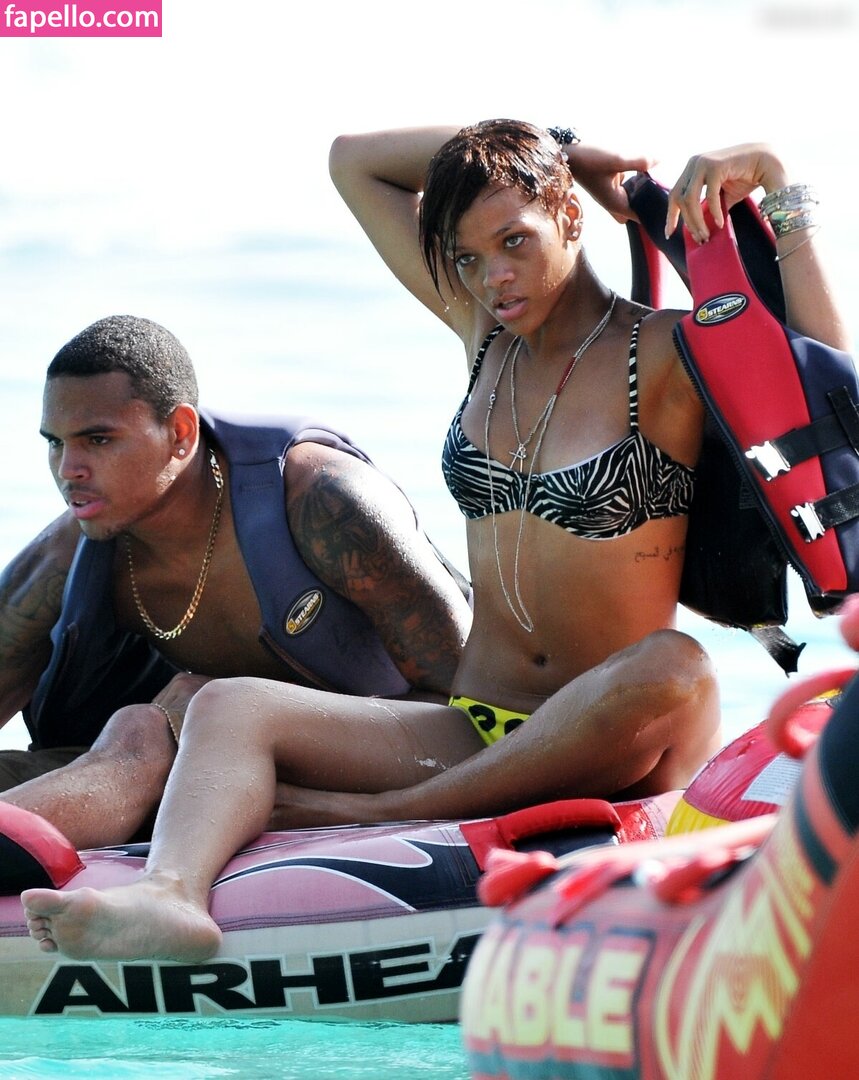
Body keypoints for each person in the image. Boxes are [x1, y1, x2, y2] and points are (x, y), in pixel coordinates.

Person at [19, 129, 850, 962]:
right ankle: (171, 896)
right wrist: (557, 143)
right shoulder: (483, 333)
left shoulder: (663, 350)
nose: (493, 277)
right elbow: (354, 162)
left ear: (569, 216)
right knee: (226, 705)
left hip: (615, 725)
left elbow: (822, 395)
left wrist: (776, 186)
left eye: (514, 241)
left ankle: (379, 814)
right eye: (466, 257)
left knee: (676, 662)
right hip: (474, 724)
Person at [0, 314, 472, 848]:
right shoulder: (64, 557)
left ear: (180, 434)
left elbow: (480, 710)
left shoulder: (322, 501)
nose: (69, 469)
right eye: (55, 443)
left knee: (177, 715)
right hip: (202, 768)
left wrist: (357, 806)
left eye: (98, 439)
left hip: (402, 746)